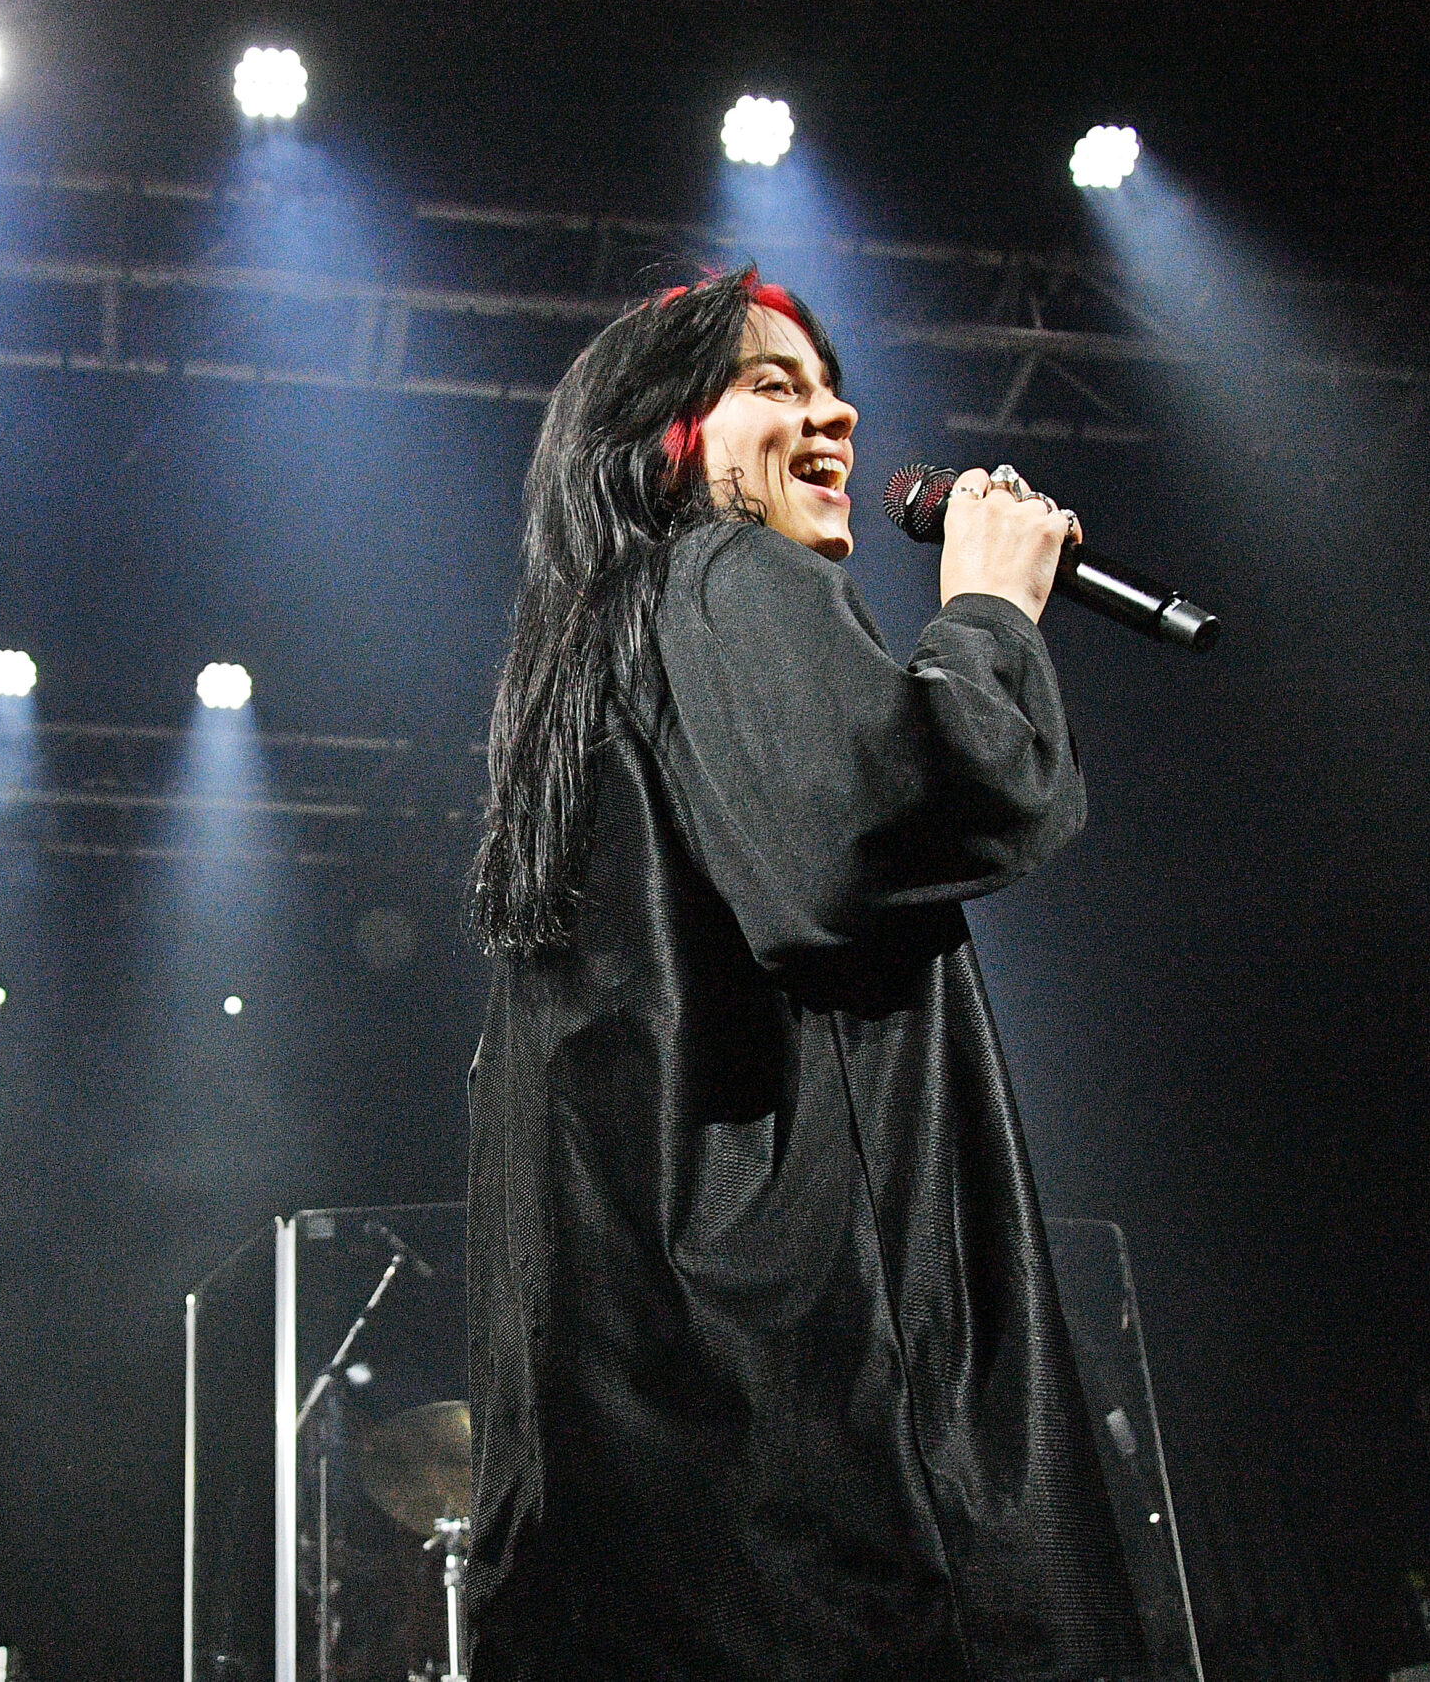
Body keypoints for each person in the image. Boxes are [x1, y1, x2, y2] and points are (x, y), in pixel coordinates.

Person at [463, 269, 1144, 1681]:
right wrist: (990, 612)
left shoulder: (586, 683)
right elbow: (884, 824)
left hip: (659, 1495)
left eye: (832, 384)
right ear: (663, 437)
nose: (833, 413)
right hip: (835, 1466)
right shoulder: (720, 573)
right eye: (772, 384)